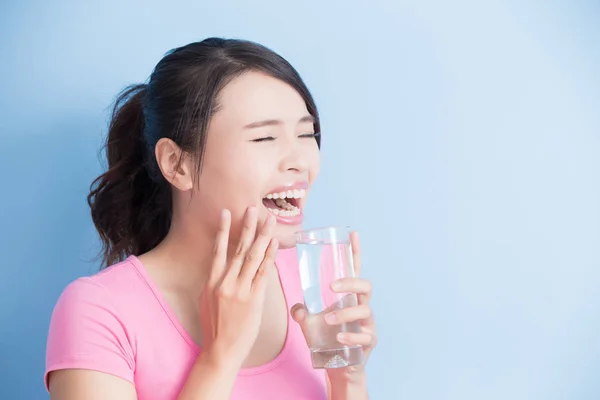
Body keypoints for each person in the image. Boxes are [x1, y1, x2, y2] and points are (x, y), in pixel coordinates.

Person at [44, 37, 377, 400]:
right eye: (264, 138)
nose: (299, 161)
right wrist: (221, 356)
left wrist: (347, 379)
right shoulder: (100, 311)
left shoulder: (313, 282)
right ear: (177, 164)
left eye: (305, 133)